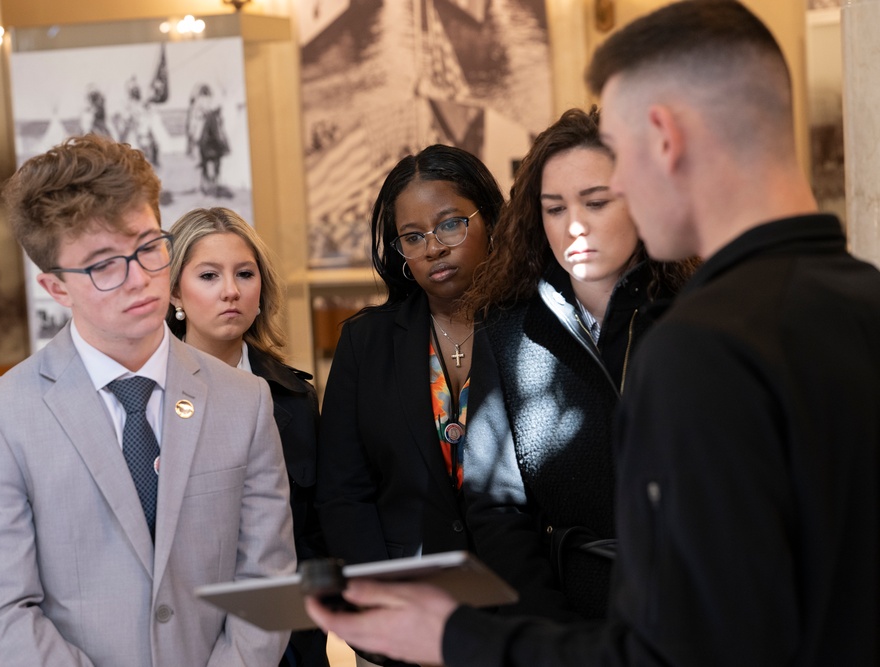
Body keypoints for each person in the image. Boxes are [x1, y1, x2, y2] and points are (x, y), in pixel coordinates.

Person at [304, 2, 880, 665]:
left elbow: (677, 647)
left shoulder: (694, 343)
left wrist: (453, 635)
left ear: (666, 137)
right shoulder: (861, 296)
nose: (621, 188)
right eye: (555, 205)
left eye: (618, 168)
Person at [0, 134, 296, 666]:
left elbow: (267, 583)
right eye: (103, 265)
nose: (139, 280)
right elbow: (0, 611)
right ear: (56, 287)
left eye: (148, 246)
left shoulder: (244, 401)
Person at [460, 106, 695, 621]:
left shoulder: (700, 317)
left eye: (596, 202)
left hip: (696, 611)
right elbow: (495, 507)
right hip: (569, 614)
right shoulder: (506, 331)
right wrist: (551, 631)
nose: (574, 227)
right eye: (554, 208)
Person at [315, 144, 501, 663]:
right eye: (412, 237)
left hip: (526, 609)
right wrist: (376, 612)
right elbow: (343, 493)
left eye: (450, 225)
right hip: (407, 609)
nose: (434, 248)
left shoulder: (533, 327)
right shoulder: (366, 343)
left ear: (489, 218)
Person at [166, 206, 330, 667]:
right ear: (174, 290)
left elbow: (312, 533)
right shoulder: (146, 399)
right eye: (208, 276)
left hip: (288, 638)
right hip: (183, 636)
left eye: (244, 274)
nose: (231, 291)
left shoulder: (295, 397)